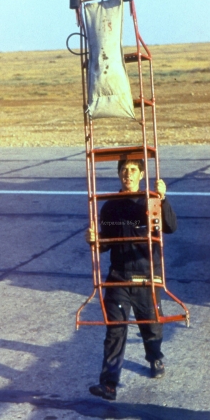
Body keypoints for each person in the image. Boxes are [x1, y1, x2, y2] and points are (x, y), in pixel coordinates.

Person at [85, 159, 177, 400]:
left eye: (133, 170)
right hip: (119, 276)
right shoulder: (111, 207)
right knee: (115, 331)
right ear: (118, 174)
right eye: (124, 170)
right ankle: (109, 384)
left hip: (148, 275)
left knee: (151, 324)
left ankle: (155, 357)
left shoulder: (150, 199)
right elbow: (106, 243)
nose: (128, 174)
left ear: (141, 174)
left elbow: (169, 227)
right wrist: (94, 239)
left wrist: (163, 198)